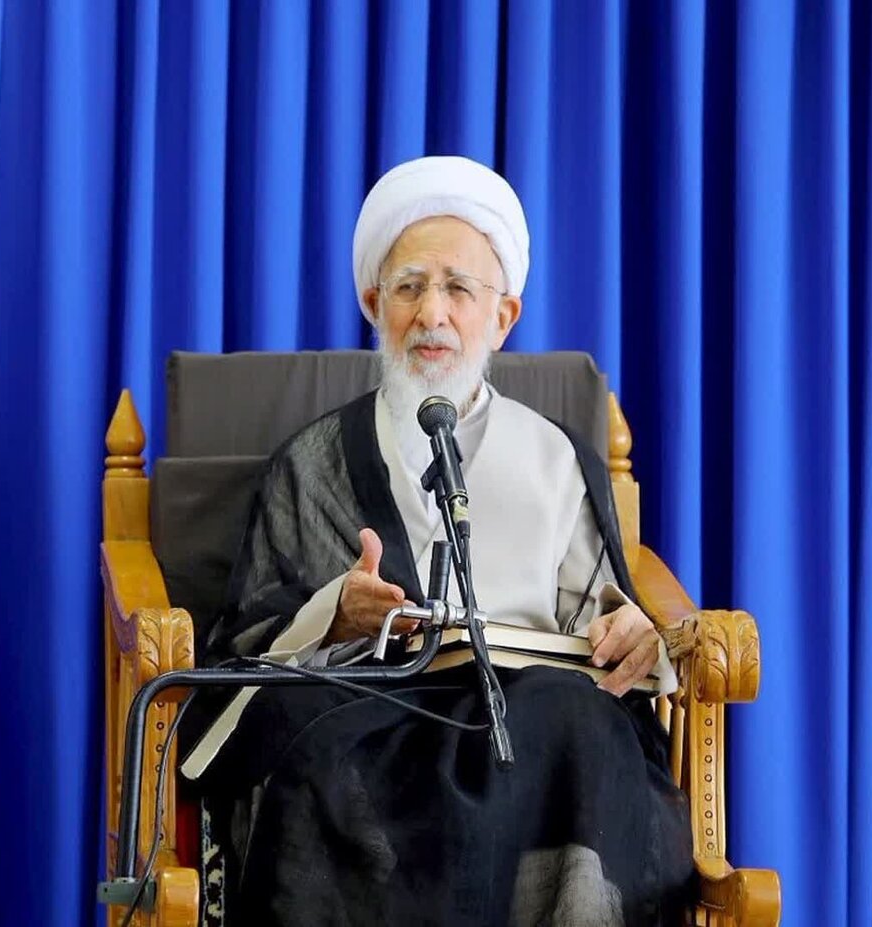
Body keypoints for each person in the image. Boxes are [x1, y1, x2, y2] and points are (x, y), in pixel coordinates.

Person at [194, 156, 692, 926]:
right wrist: (333, 613)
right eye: (409, 287)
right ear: (374, 304)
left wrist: (634, 636)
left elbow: (601, 620)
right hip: (369, 726)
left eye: (459, 288)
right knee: (310, 748)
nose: (432, 313)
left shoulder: (557, 459)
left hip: (527, 733)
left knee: (583, 721)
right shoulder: (314, 462)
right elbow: (245, 647)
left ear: (503, 316)